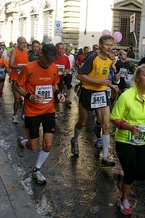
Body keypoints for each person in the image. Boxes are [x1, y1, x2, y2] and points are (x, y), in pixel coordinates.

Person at [14, 44, 65, 184]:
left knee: (48, 144)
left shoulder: (54, 68)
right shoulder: (28, 68)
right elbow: (16, 86)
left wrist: (59, 94)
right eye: (48, 58)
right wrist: (29, 96)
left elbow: (54, 84)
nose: (50, 61)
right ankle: (22, 142)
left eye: (52, 59)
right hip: (32, 112)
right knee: (33, 146)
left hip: (49, 110)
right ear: (41, 53)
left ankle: (37, 170)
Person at [111, 64, 145, 216]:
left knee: (142, 174)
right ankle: (123, 200)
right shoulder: (126, 96)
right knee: (131, 173)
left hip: (141, 140)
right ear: (137, 79)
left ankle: (121, 178)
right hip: (124, 138)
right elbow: (114, 118)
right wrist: (129, 127)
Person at [70, 35, 117, 166]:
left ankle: (106, 156)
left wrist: (110, 85)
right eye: (107, 45)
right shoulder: (92, 58)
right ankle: (74, 140)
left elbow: (102, 77)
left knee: (106, 124)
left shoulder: (109, 61)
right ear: (100, 45)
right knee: (83, 122)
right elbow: (80, 75)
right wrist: (98, 81)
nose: (109, 48)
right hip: (88, 92)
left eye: (111, 45)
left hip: (101, 93)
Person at [9, 37, 29, 124]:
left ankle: (23, 113)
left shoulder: (26, 51)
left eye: (25, 42)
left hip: (24, 78)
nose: (23, 44)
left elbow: (27, 63)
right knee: (17, 99)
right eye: (22, 42)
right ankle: (15, 115)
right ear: (18, 43)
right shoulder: (14, 51)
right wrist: (20, 67)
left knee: (26, 98)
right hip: (15, 78)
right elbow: (10, 65)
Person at [53, 43, 71, 108]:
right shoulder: (52, 57)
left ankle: (54, 110)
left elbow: (68, 68)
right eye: (59, 48)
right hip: (52, 80)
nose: (60, 50)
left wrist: (66, 72)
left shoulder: (66, 58)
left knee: (58, 95)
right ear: (56, 49)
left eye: (62, 48)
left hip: (60, 79)